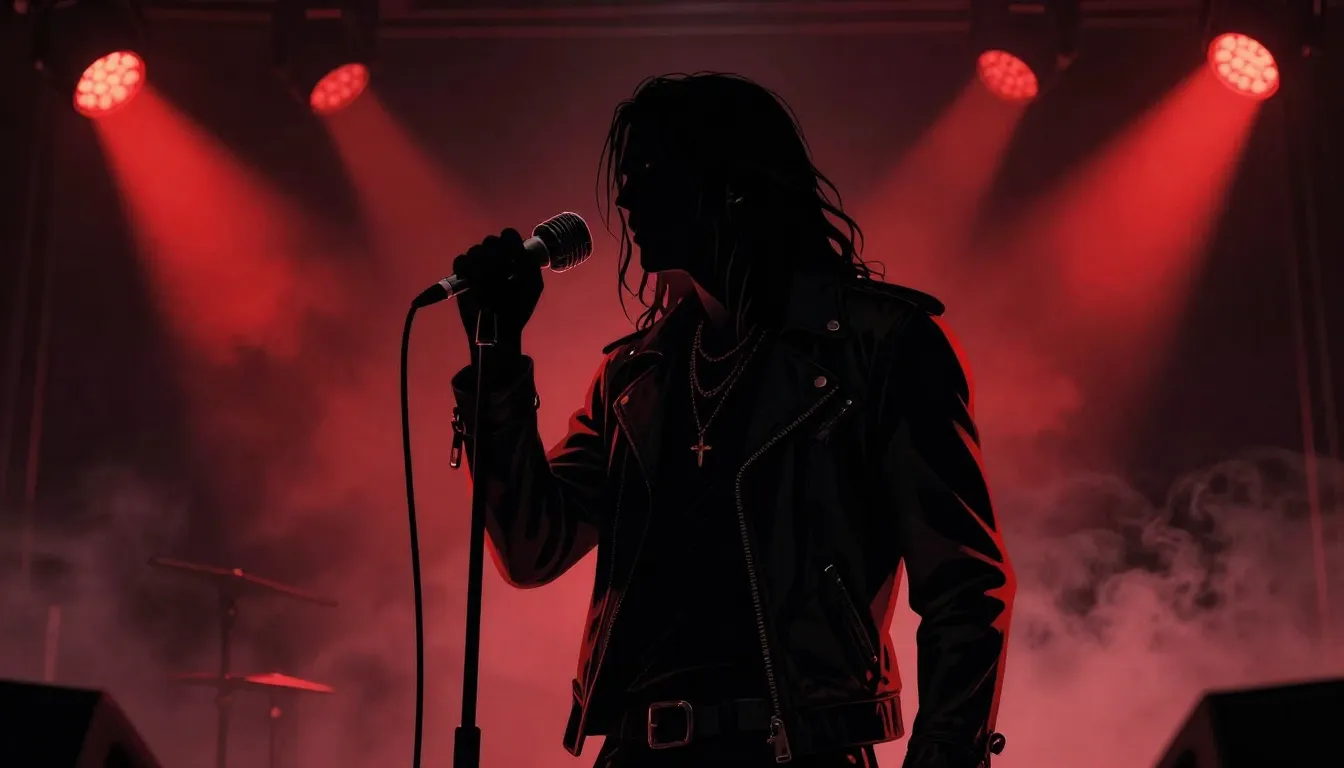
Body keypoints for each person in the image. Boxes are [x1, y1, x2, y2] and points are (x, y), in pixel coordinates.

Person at [447, 73, 1015, 768]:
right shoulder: (637, 376)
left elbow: (966, 589)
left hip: (794, 750)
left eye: (648, 170)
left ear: (731, 183)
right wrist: (498, 362)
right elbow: (533, 547)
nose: (624, 196)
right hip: (635, 752)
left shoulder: (879, 348)